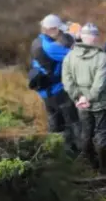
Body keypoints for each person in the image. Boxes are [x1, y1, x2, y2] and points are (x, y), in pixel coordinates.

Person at [62, 23, 106, 171]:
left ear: (81, 36)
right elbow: (100, 82)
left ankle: (92, 163)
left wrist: (78, 97)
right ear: (95, 38)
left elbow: (67, 81)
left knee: (86, 132)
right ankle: (104, 167)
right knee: (102, 133)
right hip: (99, 102)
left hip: (81, 104)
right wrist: (88, 97)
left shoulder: (69, 56)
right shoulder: (101, 57)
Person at [28, 14, 79, 155]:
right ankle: (73, 152)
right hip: (57, 90)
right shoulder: (49, 47)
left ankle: (54, 151)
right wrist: (75, 38)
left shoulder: (37, 41)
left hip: (45, 90)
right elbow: (75, 55)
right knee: (71, 120)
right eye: (58, 30)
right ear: (51, 30)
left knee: (54, 120)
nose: (61, 33)